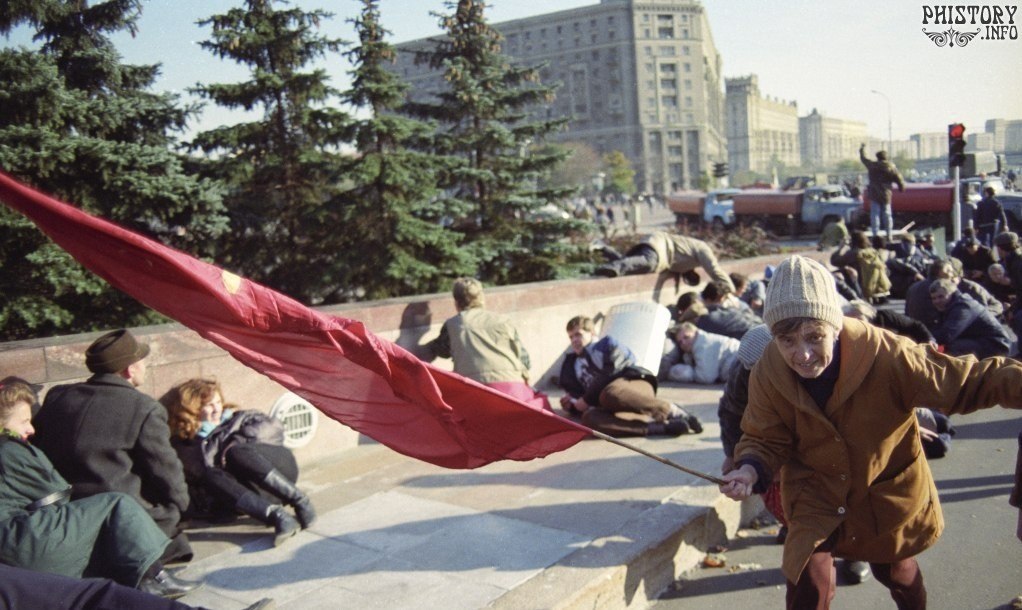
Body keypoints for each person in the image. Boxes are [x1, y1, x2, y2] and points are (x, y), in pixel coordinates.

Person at [719, 254, 1022, 610]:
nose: (802, 355)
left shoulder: (889, 355)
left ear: (835, 326)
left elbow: (968, 380)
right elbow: (764, 435)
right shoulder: (768, 369)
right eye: (787, 341)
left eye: (814, 337)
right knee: (806, 585)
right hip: (814, 494)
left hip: (881, 489)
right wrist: (750, 468)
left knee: (898, 574)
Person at [0, 378, 198, 599]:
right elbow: (56, 491)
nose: (31, 428)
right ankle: (152, 579)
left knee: (90, 518)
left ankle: (148, 574)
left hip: (11, 542)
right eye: (23, 421)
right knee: (115, 504)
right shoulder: (10, 449)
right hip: (21, 542)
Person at [32, 329, 193, 564]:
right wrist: (182, 505)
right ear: (130, 369)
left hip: (66, 507)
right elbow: (165, 468)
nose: (145, 366)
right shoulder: (143, 407)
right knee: (170, 514)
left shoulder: (58, 396)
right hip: (118, 509)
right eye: (142, 361)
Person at [161, 379, 316, 548]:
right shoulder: (190, 443)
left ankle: (301, 501)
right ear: (194, 409)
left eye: (219, 402)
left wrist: (231, 442)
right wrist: (206, 438)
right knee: (213, 474)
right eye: (209, 405)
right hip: (254, 493)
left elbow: (274, 430)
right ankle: (278, 516)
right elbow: (203, 471)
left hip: (281, 470)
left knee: (236, 452)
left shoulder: (239, 417)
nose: (217, 409)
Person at [557, 315, 702, 438]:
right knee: (589, 418)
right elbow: (583, 399)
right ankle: (658, 428)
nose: (574, 340)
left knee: (610, 393)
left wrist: (586, 399)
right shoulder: (573, 364)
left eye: (578, 334)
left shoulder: (606, 345)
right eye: (571, 337)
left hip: (633, 385)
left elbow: (611, 371)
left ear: (592, 333)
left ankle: (672, 411)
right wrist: (572, 405)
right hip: (607, 402)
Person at [425, 278, 549, 410]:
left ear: (456, 302)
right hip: (514, 391)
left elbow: (441, 351)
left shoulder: (453, 324)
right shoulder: (503, 320)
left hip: (475, 392)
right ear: (481, 298)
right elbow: (525, 360)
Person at [594, 232, 736, 293]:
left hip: (657, 245)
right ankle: (612, 267)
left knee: (630, 264)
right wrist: (731, 290)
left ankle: (603, 249)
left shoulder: (690, 254)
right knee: (648, 263)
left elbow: (687, 273)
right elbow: (714, 270)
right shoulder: (704, 248)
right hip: (659, 245)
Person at [928, 278, 1012, 360]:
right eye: (933, 298)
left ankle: (965, 373)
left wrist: (926, 339)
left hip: (996, 345)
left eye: (941, 297)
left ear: (952, 293)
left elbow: (947, 335)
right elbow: (939, 329)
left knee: (952, 347)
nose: (937, 301)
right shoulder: (947, 307)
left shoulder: (964, 307)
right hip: (979, 340)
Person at [659, 322, 739, 384]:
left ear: (696, 333)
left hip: (740, 362)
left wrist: (685, 373)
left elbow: (706, 377)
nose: (683, 343)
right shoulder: (693, 350)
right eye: (680, 342)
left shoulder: (704, 343)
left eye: (686, 337)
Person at [859, 145, 906, 240]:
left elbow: (864, 159)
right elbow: (899, 179)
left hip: (874, 193)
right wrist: (902, 188)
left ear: (877, 157)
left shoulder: (872, 166)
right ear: (886, 157)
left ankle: (875, 234)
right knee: (887, 214)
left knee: (875, 215)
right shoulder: (891, 167)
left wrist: (862, 150)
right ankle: (889, 234)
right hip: (886, 194)